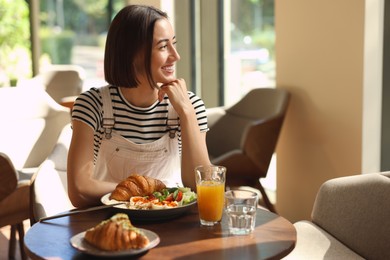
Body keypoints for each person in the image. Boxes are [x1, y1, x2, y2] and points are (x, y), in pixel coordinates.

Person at [67, 5, 211, 208]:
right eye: (163, 47)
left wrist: (186, 113)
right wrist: (147, 195)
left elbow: (202, 186)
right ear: (132, 54)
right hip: (112, 223)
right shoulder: (93, 104)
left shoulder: (190, 105)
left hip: (171, 223)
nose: (175, 55)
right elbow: (79, 188)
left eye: (174, 44)